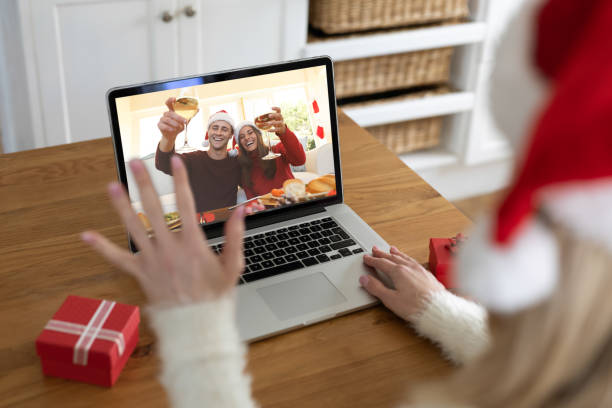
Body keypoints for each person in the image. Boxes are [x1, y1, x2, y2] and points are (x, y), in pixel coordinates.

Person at [81, 0, 612, 406]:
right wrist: (442, 312)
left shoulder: (261, 154)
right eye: (220, 129)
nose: (228, 134)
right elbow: (164, 163)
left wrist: (196, 334)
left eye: (234, 128)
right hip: (228, 227)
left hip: (278, 220)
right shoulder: (200, 156)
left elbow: (284, 160)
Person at [155, 98, 241, 213]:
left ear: (231, 135)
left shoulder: (236, 162)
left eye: (224, 129)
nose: (219, 133)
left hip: (230, 223)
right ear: (208, 132)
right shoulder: (193, 159)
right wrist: (168, 137)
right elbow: (164, 164)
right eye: (214, 128)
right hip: (200, 226)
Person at [235, 107, 306, 199]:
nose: (247, 137)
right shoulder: (244, 168)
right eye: (241, 137)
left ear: (258, 135)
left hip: (293, 202)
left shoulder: (277, 149)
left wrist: (284, 132)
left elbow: (299, 160)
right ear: (240, 143)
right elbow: (252, 199)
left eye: (250, 132)